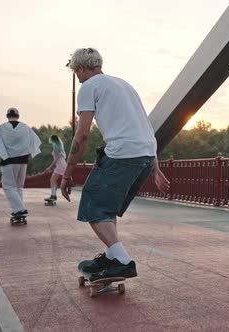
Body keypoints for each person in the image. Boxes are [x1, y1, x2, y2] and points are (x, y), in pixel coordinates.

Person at [60, 48, 170, 281]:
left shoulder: (89, 87)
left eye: (76, 72)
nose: (77, 77)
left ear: (81, 68)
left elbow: (82, 134)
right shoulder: (124, 84)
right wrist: (155, 167)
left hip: (123, 155)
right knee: (107, 209)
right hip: (145, 155)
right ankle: (111, 256)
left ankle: (122, 261)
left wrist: (67, 173)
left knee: (93, 206)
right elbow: (145, 126)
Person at [0, 107, 41, 217]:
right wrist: (29, 153)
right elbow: (35, 141)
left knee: (8, 186)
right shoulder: (25, 127)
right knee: (18, 186)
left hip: (8, 161)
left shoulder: (1, 128)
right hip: (23, 161)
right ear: (18, 116)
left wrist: (5, 155)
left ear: (7, 116)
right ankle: (18, 209)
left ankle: (19, 209)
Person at [43, 135, 67, 202]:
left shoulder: (55, 147)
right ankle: (53, 195)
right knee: (54, 180)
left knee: (52, 180)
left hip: (60, 166)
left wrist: (49, 167)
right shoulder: (59, 146)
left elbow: (56, 159)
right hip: (62, 164)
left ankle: (53, 196)